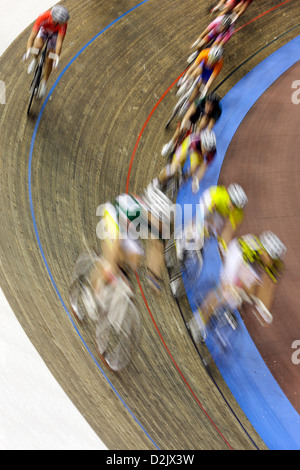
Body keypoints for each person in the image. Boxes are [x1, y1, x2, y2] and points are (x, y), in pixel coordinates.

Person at [196, 231, 286, 334]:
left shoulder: (274, 265)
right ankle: (198, 320)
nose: (270, 261)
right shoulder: (250, 250)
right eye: (268, 257)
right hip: (237, 254)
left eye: (272, 260)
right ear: (263, 250)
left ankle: (219, 307)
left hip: (251, 264)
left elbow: (267, 288)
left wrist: (263, 308)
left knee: (236, 299)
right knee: (225, 292)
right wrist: (231, 287)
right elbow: (238, 270)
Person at [24, 5, 69, 98]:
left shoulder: (63, 24)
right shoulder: (43, 17)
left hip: (55, 35)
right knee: (37, 46)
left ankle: (43, 84)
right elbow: (32, 36)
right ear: (55, 19)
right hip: (44, 30)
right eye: (61, 22)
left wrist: (56, 59)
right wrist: (28, 51)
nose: (63, 23)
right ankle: (35, 59)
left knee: (50, 59)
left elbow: (59, 43)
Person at [156, 128, 217, 194]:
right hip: (189, 145)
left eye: (208, 150)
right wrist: (175, 166)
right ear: (202, 142)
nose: (206, 151)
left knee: (194, 169)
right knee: (174, 167)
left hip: (198, 152)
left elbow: (204, 168)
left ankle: (183, 178)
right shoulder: (194, 141)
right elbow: (182, 155)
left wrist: (196, 181)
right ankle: (157, 181)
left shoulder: (212, 152)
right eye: (205, 148)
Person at [162, 93, 222, 157]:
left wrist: (198, 137)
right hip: (198, 110)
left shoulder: (217, 112)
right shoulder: (200, 102)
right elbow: (188, 115)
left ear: (214, 107)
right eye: (207, 104)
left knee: (202, 126)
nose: (208, 107)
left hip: (208, 116)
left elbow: (209, 129)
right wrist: (184, 124)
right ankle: (170, 144)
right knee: (184, 126)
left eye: (211, 106)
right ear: (205, 102)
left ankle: (188, 144)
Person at [175, 45, 224, 119]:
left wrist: (205, 90)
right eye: (210, 59)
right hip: (203, 64)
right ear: (209, 55)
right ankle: (187, 82)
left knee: (201, 85)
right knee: (198, 70)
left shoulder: (219, 64)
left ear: (217, 60)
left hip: (209, 71)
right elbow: (193, 67)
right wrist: (185, 77)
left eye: (213, 61)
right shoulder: (204, 53)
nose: (211, 62)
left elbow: (211, 79)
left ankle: (188, 103)